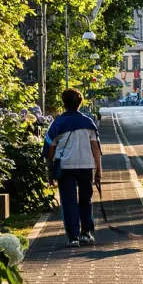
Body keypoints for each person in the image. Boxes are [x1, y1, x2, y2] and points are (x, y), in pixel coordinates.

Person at [42, 89, 103, 247]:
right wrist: (99, 170)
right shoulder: (88, 123)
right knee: (86, 200)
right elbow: (95, 148)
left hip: (66, 167)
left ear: (64, 103)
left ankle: (73, 236)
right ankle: (86, 233)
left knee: (68, 201)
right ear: (80, 103)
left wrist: (49, 169)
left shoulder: (58, 124)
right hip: (86, 166)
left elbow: (50, 149)